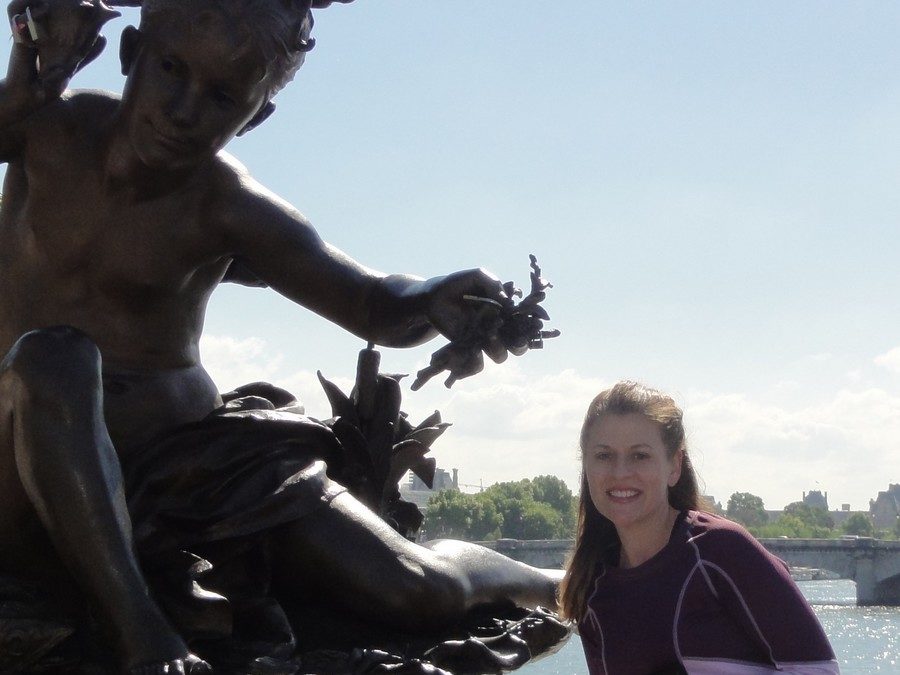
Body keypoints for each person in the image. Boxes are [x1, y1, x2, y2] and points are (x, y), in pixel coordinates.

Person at [0, 0, 559, 673]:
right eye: (172, 70)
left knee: (414, 590)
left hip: (195, 472)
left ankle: (560, 581)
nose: (183, 109)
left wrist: (435, 296)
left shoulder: (229, 207)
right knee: (52, 356)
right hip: (27, 459)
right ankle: (138, 629)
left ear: (256, 115)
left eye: (223, 96)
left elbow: (372, 300)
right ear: (131, 55)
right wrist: (25, 65)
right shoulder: (48, 129)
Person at [559, 381, 840, 675]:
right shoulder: (591, 585)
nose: (620, 472)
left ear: (674, 466)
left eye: (640, 455)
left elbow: (821, 670)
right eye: (604, 456)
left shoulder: (719, 551)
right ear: (586, 467)